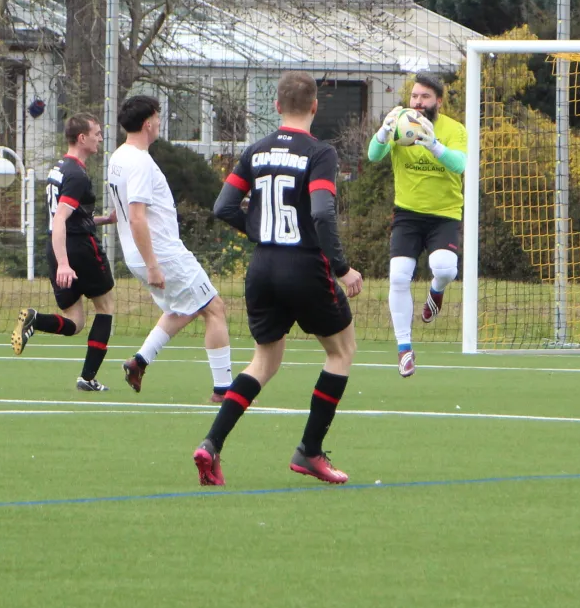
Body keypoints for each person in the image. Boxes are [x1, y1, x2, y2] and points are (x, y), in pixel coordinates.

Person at [194, 71, 364, 486]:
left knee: (264, 362)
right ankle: (309, 450)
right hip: (303, 266)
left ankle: (211, 444)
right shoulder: (320, 153)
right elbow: (322, 212)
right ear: (315, 106)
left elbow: (223, 206)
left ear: (276, 106)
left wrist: (259, 229)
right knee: (341, 351)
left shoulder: (255, 151)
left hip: (263, 268)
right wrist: (342, 268)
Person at [106, 95, 235, 401]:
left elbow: (124, 208)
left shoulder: (119, 156)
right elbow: (137, 217)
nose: (159, 122)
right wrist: (153, 265)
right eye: (157, 117)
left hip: (139, 253)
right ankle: (224, 391)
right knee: (214, 308)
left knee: (183, 307)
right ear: (147, 123)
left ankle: (139, 362)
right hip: (162, 253)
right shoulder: (139, 162)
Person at [364, 71, 467, 376]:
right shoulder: (399, 123)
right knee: (398, 276)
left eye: (425, 97)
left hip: (444, 214)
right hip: (407, 214)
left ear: (438, 101)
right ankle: (404, 348)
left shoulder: (454, 129)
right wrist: (383, 132)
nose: (418, 102)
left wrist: (434, 145)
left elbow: (460, 165)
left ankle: (437, 291)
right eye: (414, 96)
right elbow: (373, 156)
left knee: (444, 269)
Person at [12, 113, 120, 392]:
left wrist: (103, 220)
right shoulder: (77, 174)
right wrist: (64, 264)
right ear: (82, 138)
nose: (100, 138)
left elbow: (66, 217)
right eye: (96, 133)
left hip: (57, 245)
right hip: (78, 248)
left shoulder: (58, 169)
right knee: (106, 308)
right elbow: (61, 218)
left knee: (75, 322)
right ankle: (88, 378)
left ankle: (35, 319)